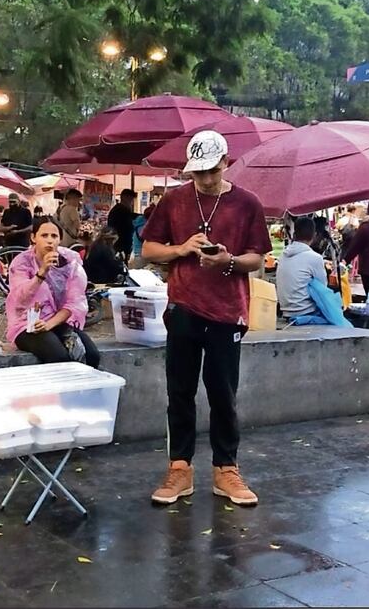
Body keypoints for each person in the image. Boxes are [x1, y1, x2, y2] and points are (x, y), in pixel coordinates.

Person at [141, 130, 273, 507]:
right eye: (198, 173)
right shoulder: (174, 201)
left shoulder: (247, 203)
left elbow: (257, 259)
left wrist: (227, 261)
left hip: (227, 310)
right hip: (183, 306)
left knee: (223, 394)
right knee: (179, 393)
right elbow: (150, 248)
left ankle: (226, 468)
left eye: (212, 172)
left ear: (226, 163)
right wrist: (181, 249)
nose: (205, 180)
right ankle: (179, 467)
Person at [5, 218, 99, 368]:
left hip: (57, 321)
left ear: (60, 240)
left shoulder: (69, 262)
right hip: (27, 324)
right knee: (58, 357)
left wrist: (49, 324)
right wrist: (42, 273)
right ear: (33, 237)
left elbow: (74, 302)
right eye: (44, 235)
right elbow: (19, 299)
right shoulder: (22, 262)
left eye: (54, 236)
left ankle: (82, 390)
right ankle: (56, 391)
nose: (50, 241)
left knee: (92, 355)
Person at [275, 217, 326, 319]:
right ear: (314, 235)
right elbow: (323, 291)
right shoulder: (315, 258)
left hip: (285, 311)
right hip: (306, 312)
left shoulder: (283, 255)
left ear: (294, 235)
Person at [107, 188, 138, 262]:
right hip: (120, 244)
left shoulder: (120, 209)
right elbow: (128, 226)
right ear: (124, 198)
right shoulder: (120, 210)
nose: (131, 202)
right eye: (130, 199)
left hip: (120, 243)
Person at [131, 202, 156, 268]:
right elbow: (144, 237)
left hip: (141, 254)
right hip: (139, 255)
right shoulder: (141, 225)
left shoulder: (142, 224)